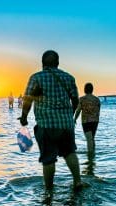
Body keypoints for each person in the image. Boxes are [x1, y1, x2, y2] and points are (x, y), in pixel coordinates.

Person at [18, 50, 83, 190]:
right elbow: (76, 101)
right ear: (58, 63)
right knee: (70, 152)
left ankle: (49, 191)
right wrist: (69, 117)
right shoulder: (69, 78)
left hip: (46, 125)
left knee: (48, 159)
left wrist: (24, 117)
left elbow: (28, 100)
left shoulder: (36, 77)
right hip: (66, 125)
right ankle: (77, 182)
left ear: (42, 63)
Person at [74, 82, 101, 160]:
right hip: (95, 121)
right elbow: (98, 111)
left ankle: (90, 157)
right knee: (92, 138)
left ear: (85, 89)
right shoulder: (97, 99)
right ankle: (93, 155)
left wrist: (74, 119)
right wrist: (96, 119)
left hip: (86, 121)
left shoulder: (82, 99)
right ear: (92, 89)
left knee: (89, 139)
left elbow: (78, 110)